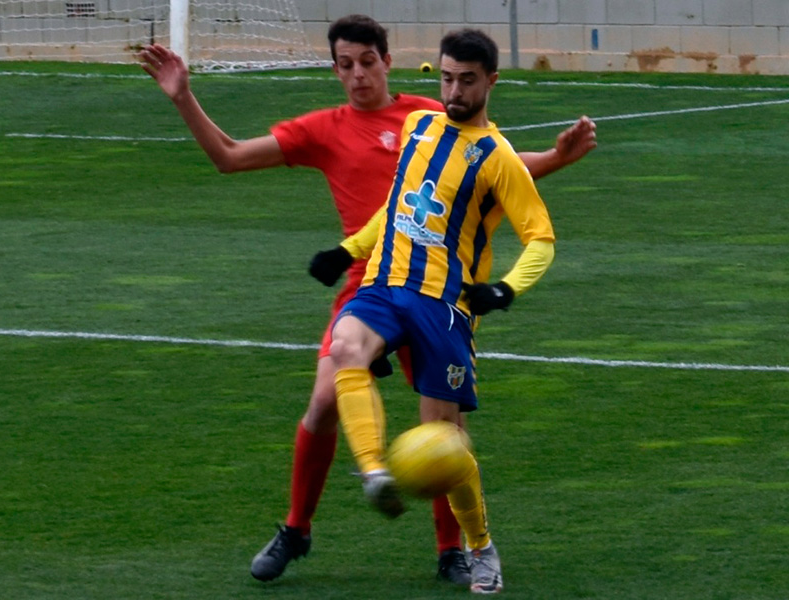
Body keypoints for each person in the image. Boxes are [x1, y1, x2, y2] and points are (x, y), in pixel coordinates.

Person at [138, 14, 596, 586]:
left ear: (387, 60)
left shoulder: (426, 116)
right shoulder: (327, 128)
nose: (357, 76)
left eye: (366, 62)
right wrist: (183, 98)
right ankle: (311, 518)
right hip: (371, 282)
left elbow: (487, 172)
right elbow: (231, 157)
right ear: (335, 69)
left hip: (442, 296)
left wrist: (550, 167)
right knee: (329, 390)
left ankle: (459, 549)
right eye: (345, 65)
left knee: (443, 433)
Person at [324, 27, 555, 594]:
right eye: (447, 78)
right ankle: (375, 470)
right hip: (386, 282)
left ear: (491, 82)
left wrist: (505, 289)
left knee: (446, 444)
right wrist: (349, 249)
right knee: (345, 348)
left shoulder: (500, 158)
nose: (453, 90)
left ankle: (480, 547)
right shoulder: (417, 125)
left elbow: (542, 238)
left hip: (445, 308)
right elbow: (402, 201)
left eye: (466, 81)